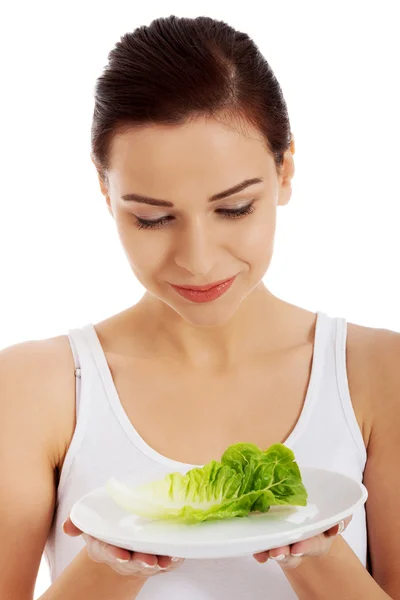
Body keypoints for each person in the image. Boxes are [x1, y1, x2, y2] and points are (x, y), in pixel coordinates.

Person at [1, 13, 399, 600]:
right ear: (105, 190)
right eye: (153, 218)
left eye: (234, 208)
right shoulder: (35, 387)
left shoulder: (378, 373)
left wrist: (315, 553)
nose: (199, 260)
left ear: (285, 168)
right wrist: (110, 566)